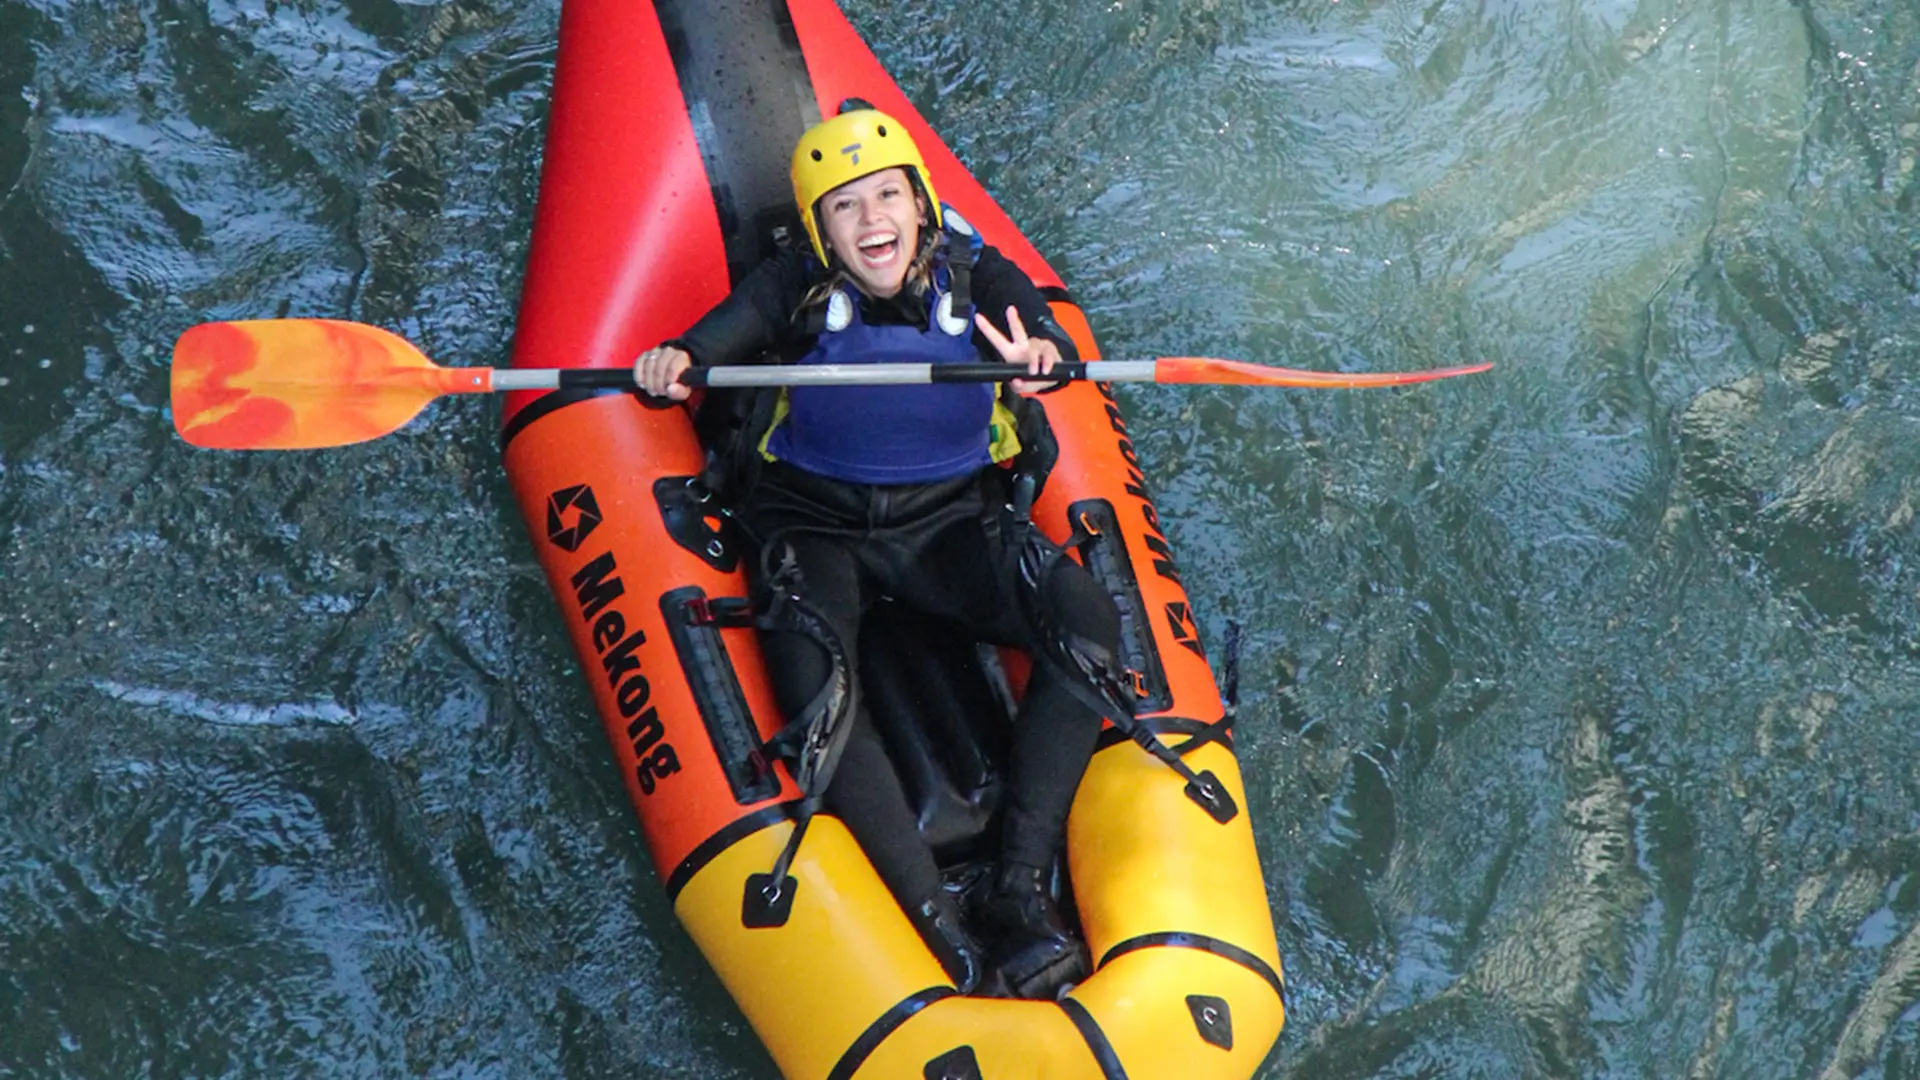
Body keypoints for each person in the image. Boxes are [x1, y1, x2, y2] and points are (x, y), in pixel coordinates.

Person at [634, 103, 1123, 998]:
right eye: (846, 207)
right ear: (819, 229)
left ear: (921, 203)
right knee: (819, 694)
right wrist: (678, 360)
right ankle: (936, 921)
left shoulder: (974, 276)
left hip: (947, 528)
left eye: (888, 196)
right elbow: (721, 335)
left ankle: (1019, 887)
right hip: (816, 529)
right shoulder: (796, 285)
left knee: (1085, 622)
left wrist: (1042, 355)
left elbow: (1036, 328)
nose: (873, 222)